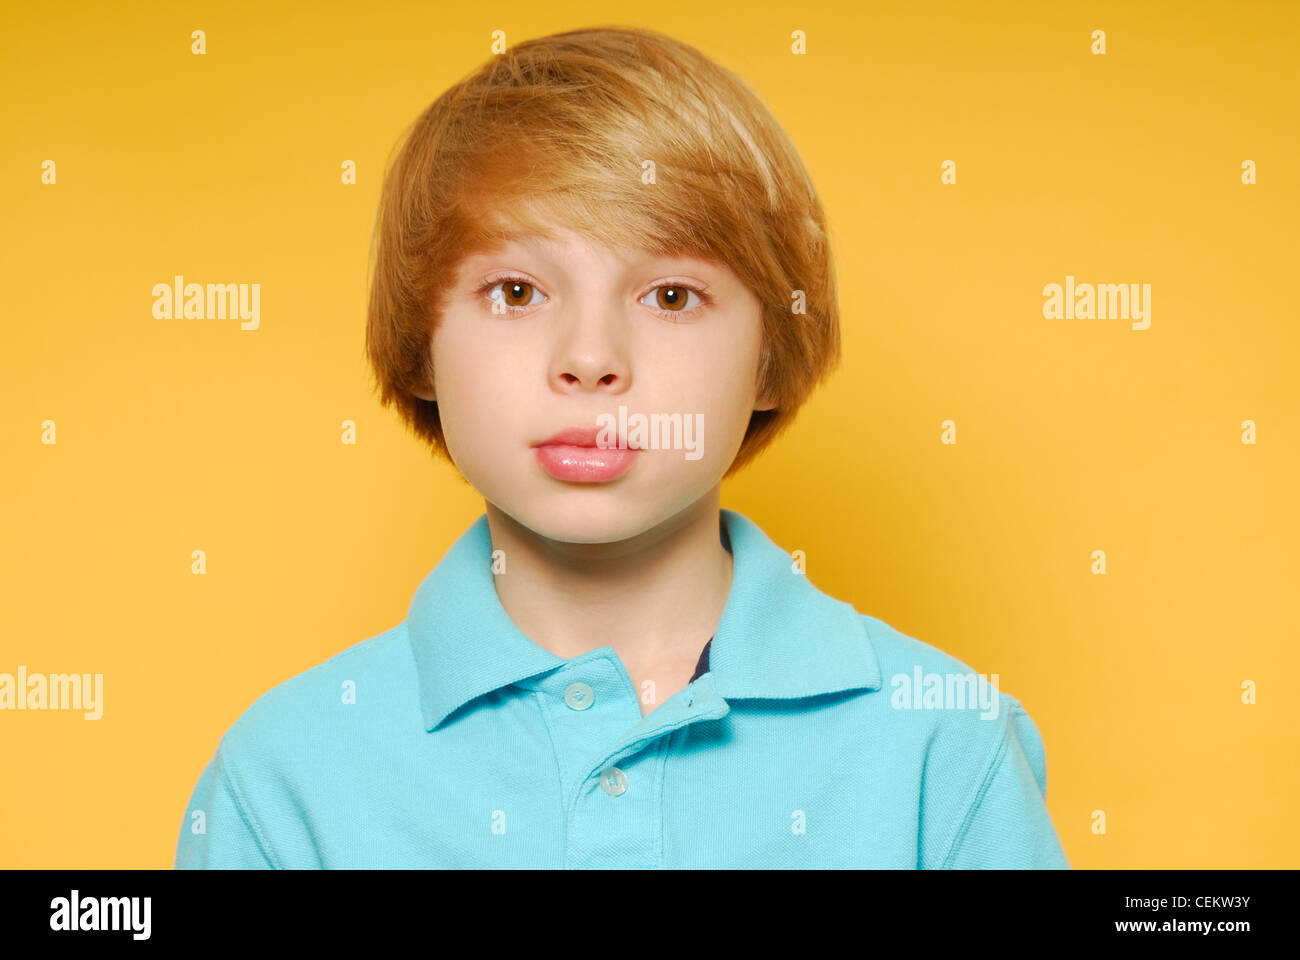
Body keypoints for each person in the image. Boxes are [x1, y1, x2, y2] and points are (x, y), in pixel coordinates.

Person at [175, 25, 1068, 869]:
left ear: (770, 358)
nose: (591, 361)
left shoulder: (941, 743)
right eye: (516, 291)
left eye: (672, 296)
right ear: (421, 351)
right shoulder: (285, 775)